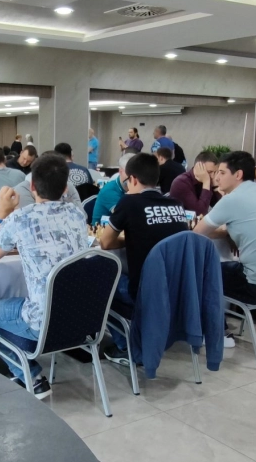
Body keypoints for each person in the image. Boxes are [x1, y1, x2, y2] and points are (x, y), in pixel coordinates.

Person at [0, 154, 91, 399]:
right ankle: (26, 362)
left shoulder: (20, 218)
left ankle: (31, 375)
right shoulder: (78, 215)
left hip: (41, 321)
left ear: (32, 186)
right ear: (66, 188)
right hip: (82, 317)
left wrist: (2, 212)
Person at [99, 154, 188, 363]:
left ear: (133, 179)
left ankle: (126, 346)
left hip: (144, 294)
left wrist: (131, 239)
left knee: (101, 283)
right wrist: (136, 238)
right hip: (176, 292)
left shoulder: (129, 202)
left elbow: (105, 242)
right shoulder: (176, 204)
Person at [194, 151, 256, 346]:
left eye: (222, 173)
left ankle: (217, 333)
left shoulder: (233, 199)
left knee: (199, 272)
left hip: (255, 286)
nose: (217, 178)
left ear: (238, 175)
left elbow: (196, 233)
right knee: (219, 266)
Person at [169, 151, 222, 216]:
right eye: (209, 172)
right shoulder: (181, 182)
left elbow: (221, 207)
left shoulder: (207, 179)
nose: (213, 176)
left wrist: (215, 187)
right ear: (198, 168)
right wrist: (206, 183)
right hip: (182, 220)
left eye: (215, 172)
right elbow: (200, 213)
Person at [92, 153, 132, 224]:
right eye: (129, 173)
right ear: (120, 171)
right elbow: (125, 216)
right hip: (102, 229)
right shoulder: (109, 191)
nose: (133, 177)